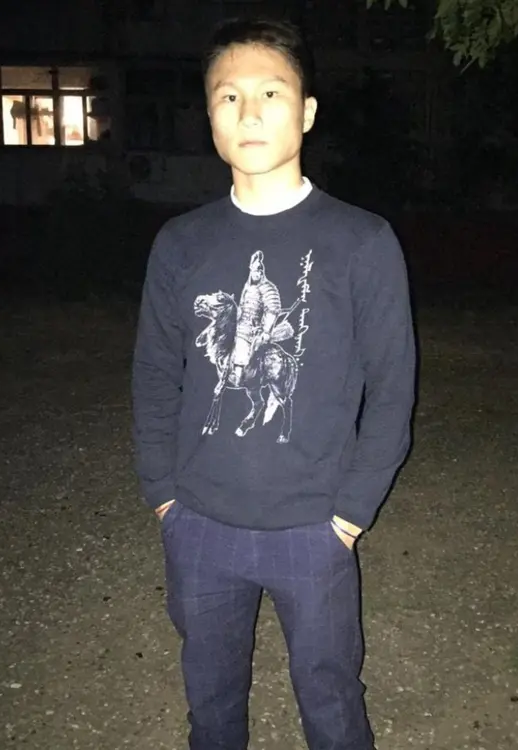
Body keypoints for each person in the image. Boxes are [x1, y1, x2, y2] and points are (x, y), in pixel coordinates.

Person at [131, 16, 415, 750]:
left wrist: (349, 514)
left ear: (307, 111)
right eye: (228, 97)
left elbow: (392, 388)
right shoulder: (182, 243)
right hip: (199, 524)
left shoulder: (362, 241)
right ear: (209, 116)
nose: (249, 112)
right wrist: (164, 493)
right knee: (211, 704)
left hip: (313, 530)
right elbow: (156, 373)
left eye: (271, 92)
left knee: (332, 701)